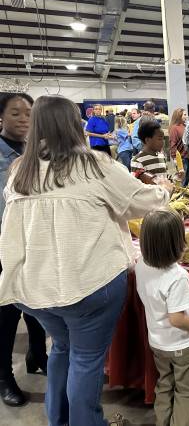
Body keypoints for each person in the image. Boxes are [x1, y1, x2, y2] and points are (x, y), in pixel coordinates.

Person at [0, 95, 171, 426]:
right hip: (91, 285)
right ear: (73, 125)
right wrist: (163, 188)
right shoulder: (94, 165)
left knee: (63, 348)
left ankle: (59, 420)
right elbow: (140, 202)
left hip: (35, 291)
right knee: (86, 358)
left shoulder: (21, 168)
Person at [136, 209, 189, 426]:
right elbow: (177, 319)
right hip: (183, 345)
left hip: (158, 342)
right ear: (178, 243)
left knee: (164, 385)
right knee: (187, 393)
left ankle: (162, 422)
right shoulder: (177, 277)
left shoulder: (140, 265)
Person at [0, 93, 47, 408]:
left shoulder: (38, 152)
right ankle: (5, 377)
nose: (23, 118)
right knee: (6, 315)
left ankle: (38, 355)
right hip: (4, 245)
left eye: (28, 112)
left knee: (39, 307)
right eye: (15, 112)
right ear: (1, 117)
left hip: (36, 242)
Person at [131, 118, 169, 185]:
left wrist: (175, 178)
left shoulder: (161, 156)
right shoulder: (137, 161)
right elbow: (136, 185)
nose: (163, 142)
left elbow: (165, 177)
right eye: (160, 139)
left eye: (163, 139)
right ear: (147, 140)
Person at [169, 108, 189, 186]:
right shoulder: (174, 128)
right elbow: (173, 143)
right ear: (179, 115)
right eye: (184, 114)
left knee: (187, 177)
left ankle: (184, 193)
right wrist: (174, 157)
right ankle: (180, 195)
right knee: (182, 179)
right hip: (181, 157)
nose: (186, 116)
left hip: (188, 156)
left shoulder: (185, 126)